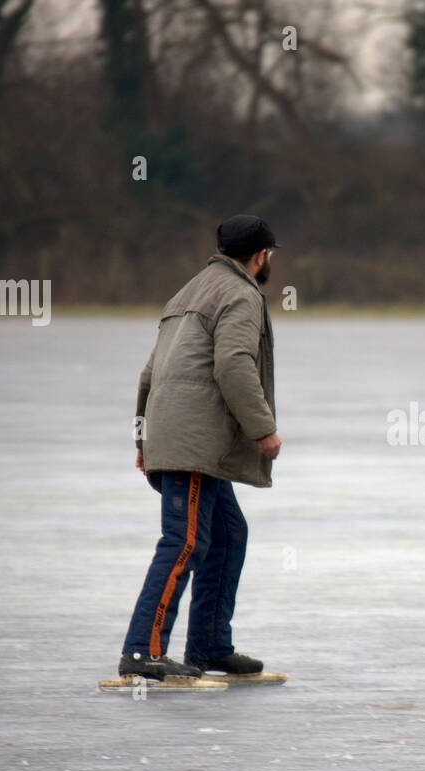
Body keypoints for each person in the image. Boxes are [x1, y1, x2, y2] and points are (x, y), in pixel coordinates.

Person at [118, 214, 282, 680]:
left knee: (229, 535)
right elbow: (233, 365)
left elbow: (148, 374)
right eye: (269, 255)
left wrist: (142, 438)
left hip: (182, 436)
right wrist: (262, 430)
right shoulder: (241, 295)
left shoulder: (187, 292)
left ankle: (209, 647)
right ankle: (140, 651)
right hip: (193, 442)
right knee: (184, 541)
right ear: (260, 255)